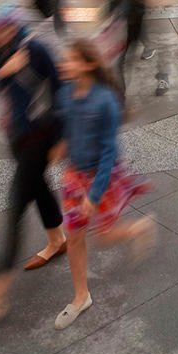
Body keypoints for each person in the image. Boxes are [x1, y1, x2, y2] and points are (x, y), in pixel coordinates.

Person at [0, 10, 68, 329]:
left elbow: (61, 92)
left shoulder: (35, 49)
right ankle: (57, 239)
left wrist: (61, 139)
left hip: (41, 136)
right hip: (15, 135)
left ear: (12, 28)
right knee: (38, 187)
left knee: (15, 209)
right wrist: (3, 71)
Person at [52, 39, 157, 331]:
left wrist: (95, 194)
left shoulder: (105, 101)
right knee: (74, 236)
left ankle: (138, 228)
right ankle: (80, 297)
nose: (63, 64)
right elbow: (67, 128)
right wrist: (61, 146)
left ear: (87, 64)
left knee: (103, 237)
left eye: (69, 60)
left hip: (103, 176)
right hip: (74, 176)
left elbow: (109, 151)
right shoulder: (65, 94)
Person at [106, 0, 166, 95]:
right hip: (128, 18)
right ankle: (120, 95)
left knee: (145, 47)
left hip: (142, 15)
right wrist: (111, 9)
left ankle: (162, 77)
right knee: (122, 57)